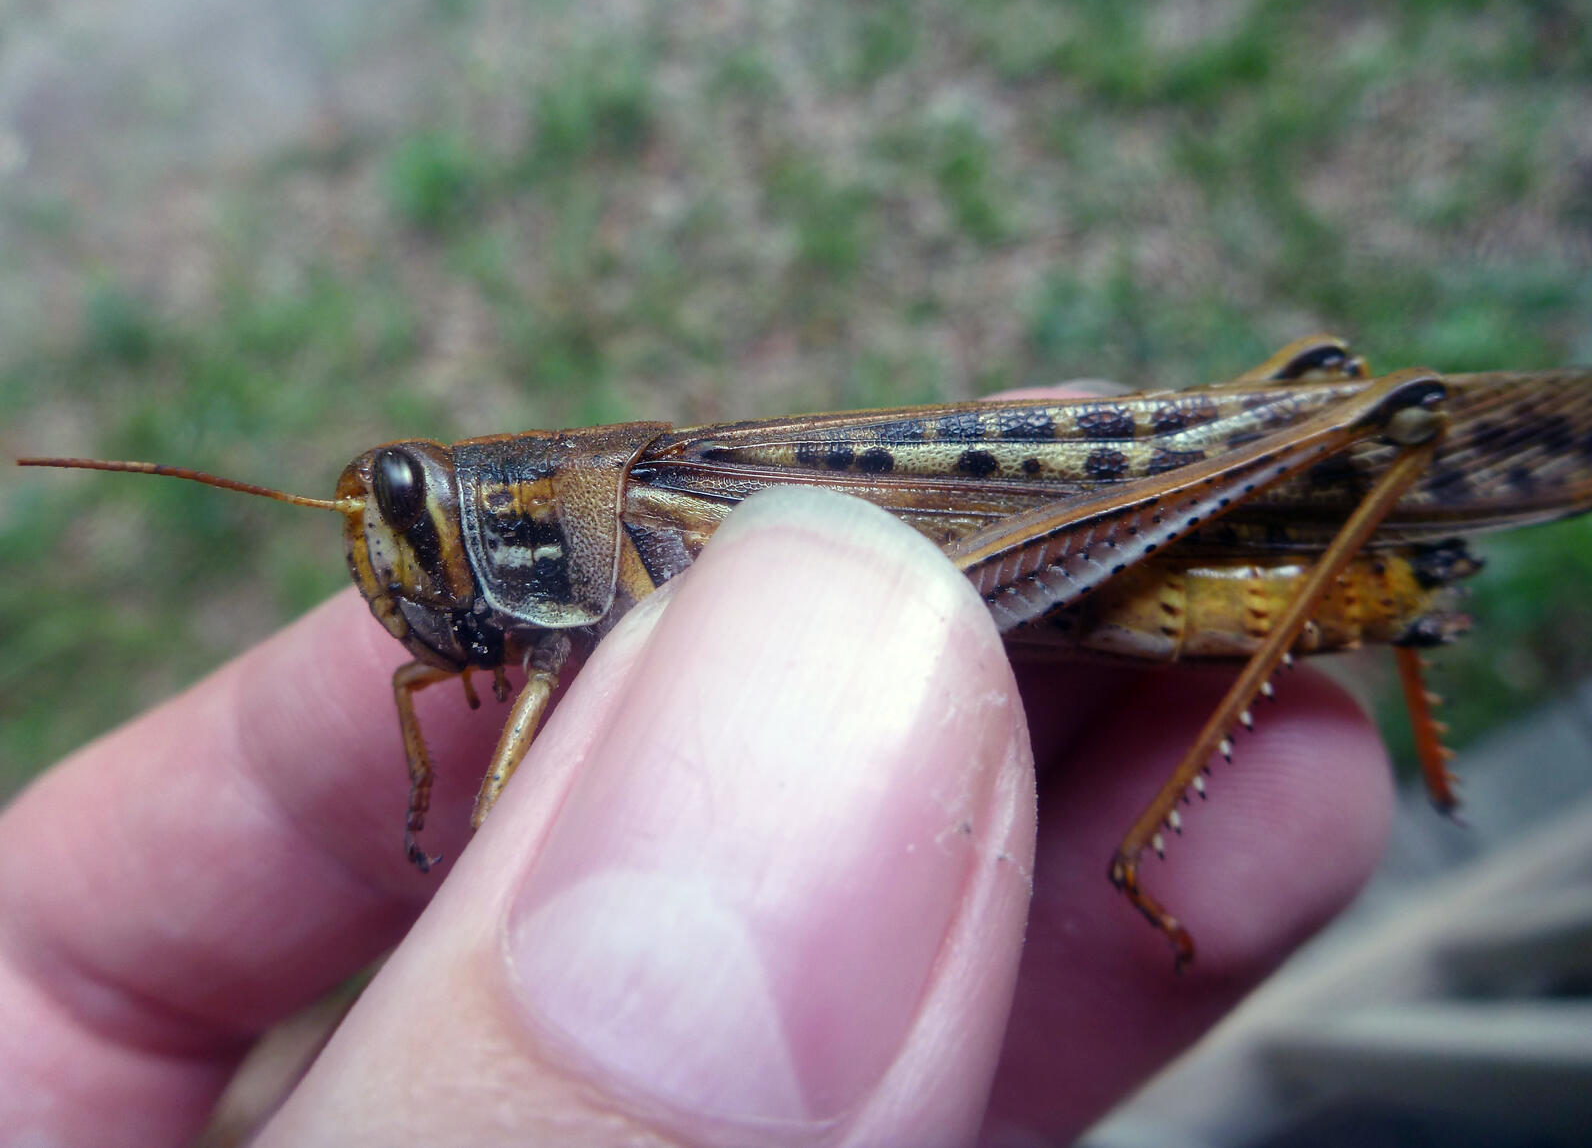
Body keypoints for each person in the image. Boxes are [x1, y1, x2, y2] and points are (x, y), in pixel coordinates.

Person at [0, 486, 1393, 1146]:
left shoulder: (644, 503)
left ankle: (1362, 473)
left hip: (1133, 545)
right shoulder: (487, 639)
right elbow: (436, 697)